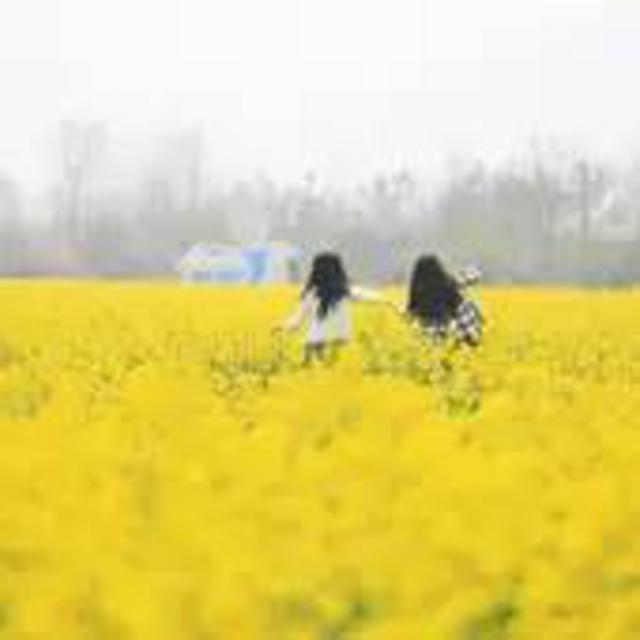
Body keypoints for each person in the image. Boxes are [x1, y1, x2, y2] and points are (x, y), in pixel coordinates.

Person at [279, 252, 388, 363]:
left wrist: (283, 327)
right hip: (339, 343)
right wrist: (387, 301)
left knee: (318, 371)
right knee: (336, 369)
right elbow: (368, 296)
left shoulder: (313, 294)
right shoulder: (345, 292)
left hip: (316, 343)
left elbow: (297, 320)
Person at [403, 254, 484, 347]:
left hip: (427, 330)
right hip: (445, 326)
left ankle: (465, 338)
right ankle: (469, 337)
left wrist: (408, 315)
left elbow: (411, 310)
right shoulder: (447, 284)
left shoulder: (417, 290)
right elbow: (458, 298)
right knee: (467, 307)